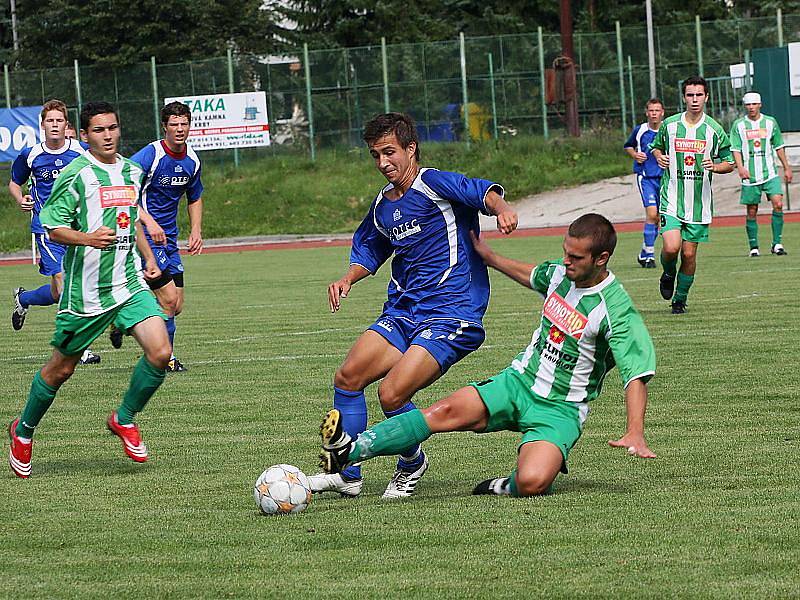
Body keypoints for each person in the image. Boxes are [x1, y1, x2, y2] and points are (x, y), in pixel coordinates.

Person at [317, 213, 656, 498]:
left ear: (601, 259)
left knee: (533, 482)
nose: (566, 261)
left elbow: (636, 373)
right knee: (441, 412)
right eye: (565, 252)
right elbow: (533, 274)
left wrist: (635, 431)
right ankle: (349, 451)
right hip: (517, 383)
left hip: (560, 409)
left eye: (576, 257)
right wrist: (491, 258)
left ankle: (504, 484)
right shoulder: (560, 274)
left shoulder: (616, 310)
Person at [309, 112, 518, 499]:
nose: (383, 162)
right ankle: (346, 472)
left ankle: (411, 462)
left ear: (410, 148)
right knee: (348, 377)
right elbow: (371, 248)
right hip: (404, 312)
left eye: (390, 152)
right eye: (375, 155)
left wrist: (502, 208)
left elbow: (481, 191)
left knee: (392, 395)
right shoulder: (383, 205)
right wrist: (347, 278)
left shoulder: (434, 183)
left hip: (452, 313)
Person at [7, 101, 172, 479]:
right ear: (83, 135)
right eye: (98, 130)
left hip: (128, 283)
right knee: (60, 370)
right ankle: (24, 430)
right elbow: (52, 227)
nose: (108, 135)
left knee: (161, 352)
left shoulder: (132, 171)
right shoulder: (76, 173)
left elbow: (132, 221)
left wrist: (151, 261)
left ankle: (123, 418)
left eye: (112, 128)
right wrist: (87, 238)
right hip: (85, 293)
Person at [110, 101, 204, 372]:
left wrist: (196, 229)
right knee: (169, 299)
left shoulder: (192, 161)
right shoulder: (151, 154)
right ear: (164, 126)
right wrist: (148, 220)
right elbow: (124, 187)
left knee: (176, 305)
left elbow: (194, 197)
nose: (179, 129)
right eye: (174, 124)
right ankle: (166, 358)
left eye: (184, 124)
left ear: (190, 125)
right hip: (147, 237)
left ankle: (122, 318)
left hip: (169, 240)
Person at [9, 99, 100, 365]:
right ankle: (78, 347)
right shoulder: (31, 154)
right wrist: (20, 199)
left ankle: (23, 298)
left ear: (66, 125)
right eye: (50, 121)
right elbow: (15, 183)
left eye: (59, 120)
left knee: (60, 292)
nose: (55, 125)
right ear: (42, 125)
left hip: (76, 229)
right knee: (65, 284)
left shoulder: (81, 151)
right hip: (47, 229)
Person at [650, 76, 734, 314]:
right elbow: (656, 146)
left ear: (706, 97)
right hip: (672, 198)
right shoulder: (670, 125)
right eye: (690, 95)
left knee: (688, 254)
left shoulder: (714, 130)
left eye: (699, 95)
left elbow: (729, 163)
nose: (694, 99)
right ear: (684, 97)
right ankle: (667, 273)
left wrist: (715, 166)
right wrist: (658, 156)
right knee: (671, 248)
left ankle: (680, 298)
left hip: (699, 204)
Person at [730, 91, 793, 257]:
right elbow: (735, 149)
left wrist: (786, 167)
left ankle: (777, 244)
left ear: (760, 105)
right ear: (745, 106)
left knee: (778, 204)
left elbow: (778, 145)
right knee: (752, 210)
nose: (751, 108)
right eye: (748, 105)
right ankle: (754, 247)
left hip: (770, 172)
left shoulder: (770, 122)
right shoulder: (738, 125)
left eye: (754, 104)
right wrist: (740, 167)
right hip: (750, 174)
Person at [623, 98, 665, 268]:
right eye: (651, 110)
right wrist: (635, 155)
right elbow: (628, 146)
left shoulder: (668, 130)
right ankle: (649, 254)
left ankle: (643, 252)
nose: (654, 114)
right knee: (652, 213)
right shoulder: (640, 130)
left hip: (664, 178)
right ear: (647, 112)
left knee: (659, 217)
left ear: (662, 113)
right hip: (646, 177)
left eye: (657, 110)